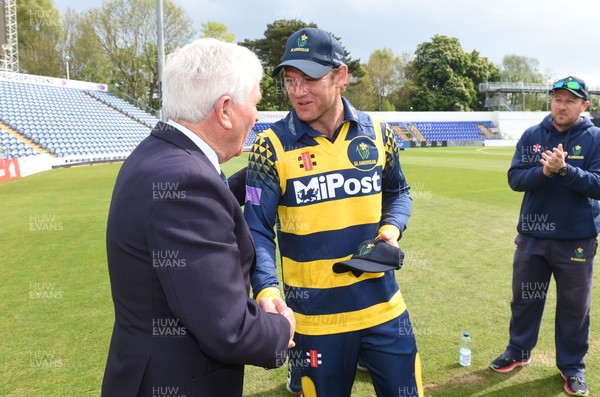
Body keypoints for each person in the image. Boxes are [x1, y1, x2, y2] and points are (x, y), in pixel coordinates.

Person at [101, 38, 295, 397]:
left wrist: (260, 175)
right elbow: (228, 327)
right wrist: (281, 327)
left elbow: (209, 195)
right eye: (255, 103)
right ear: (225, 110)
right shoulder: (186, 183)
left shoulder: (159, 153)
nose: (257, 115)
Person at [244, 27, 423, 397]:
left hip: (384, 311)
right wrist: (265, 288)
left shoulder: (378, 133)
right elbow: (256, 228)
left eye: (309, 79)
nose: (297, 91)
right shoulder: (269, 146)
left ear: (340, 76)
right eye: (291, 80)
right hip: (313, 322)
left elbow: (399, 192)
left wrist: (390, 231)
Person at [490, 76, 600, 397]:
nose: (561, 105)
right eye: (557, 99)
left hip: (576, 241)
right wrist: (546, 171)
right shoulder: (533, 135)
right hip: (532, 238)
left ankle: (572, 367)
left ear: (584, 105)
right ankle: (518, 351)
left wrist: (566, 171)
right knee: (525, 298)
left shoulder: (595, 138)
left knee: (574, 307)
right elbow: (515, 178)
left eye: (569, 100)